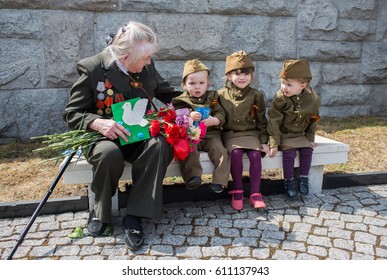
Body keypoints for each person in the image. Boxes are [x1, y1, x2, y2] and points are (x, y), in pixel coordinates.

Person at [63, 21, 180, 251]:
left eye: (149, 58)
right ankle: (100, 213)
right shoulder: (92, 68)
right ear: (126, 57)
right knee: (109, 154)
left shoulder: (146, 65)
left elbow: (168, 94)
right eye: (145, 58)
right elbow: (71, 114)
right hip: (102, 137)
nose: (149, 62)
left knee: (159, 145)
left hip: (136, 134)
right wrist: (97, 122)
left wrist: (194, 105)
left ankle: (135, 214)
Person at [218, 50, 269, 211]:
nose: (242, 77)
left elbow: (262, 119)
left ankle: (255, 193)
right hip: (231, 134)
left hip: (250, 133)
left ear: (252, 76)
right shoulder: (220, 95)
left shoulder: (257, 95)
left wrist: (263, 140)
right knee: (236, 154)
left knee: (255, 155)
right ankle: (237, 191)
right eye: (237, 73)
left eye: (246, 73)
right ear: (228, 76)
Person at [171, 59, 229, 193]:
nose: (197, 87)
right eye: (192, 83)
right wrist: (189, 116)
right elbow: (177, 116)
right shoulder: (180, 100)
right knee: (189, 149)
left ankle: (220, 181)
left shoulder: (213, 97)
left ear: (207, 83)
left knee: (221, 151)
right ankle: (193, 177)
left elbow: (221, 112)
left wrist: (214, 120)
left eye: (201, 83)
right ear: (184, 85)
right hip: (192, 134)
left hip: (211, 134)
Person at [267, 59, 321, 198]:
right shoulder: (280, 98)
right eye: (282, 83)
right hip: (283, 135)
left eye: (289, 84)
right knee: (289, 154)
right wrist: (274, 143)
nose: (284, 87)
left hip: (299, 135)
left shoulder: (312, 99)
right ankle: (289, 181)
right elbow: (274, 120)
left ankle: (304, 178)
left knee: (307, 150)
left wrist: (309, 138)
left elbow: (313, 119)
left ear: (303, 85)